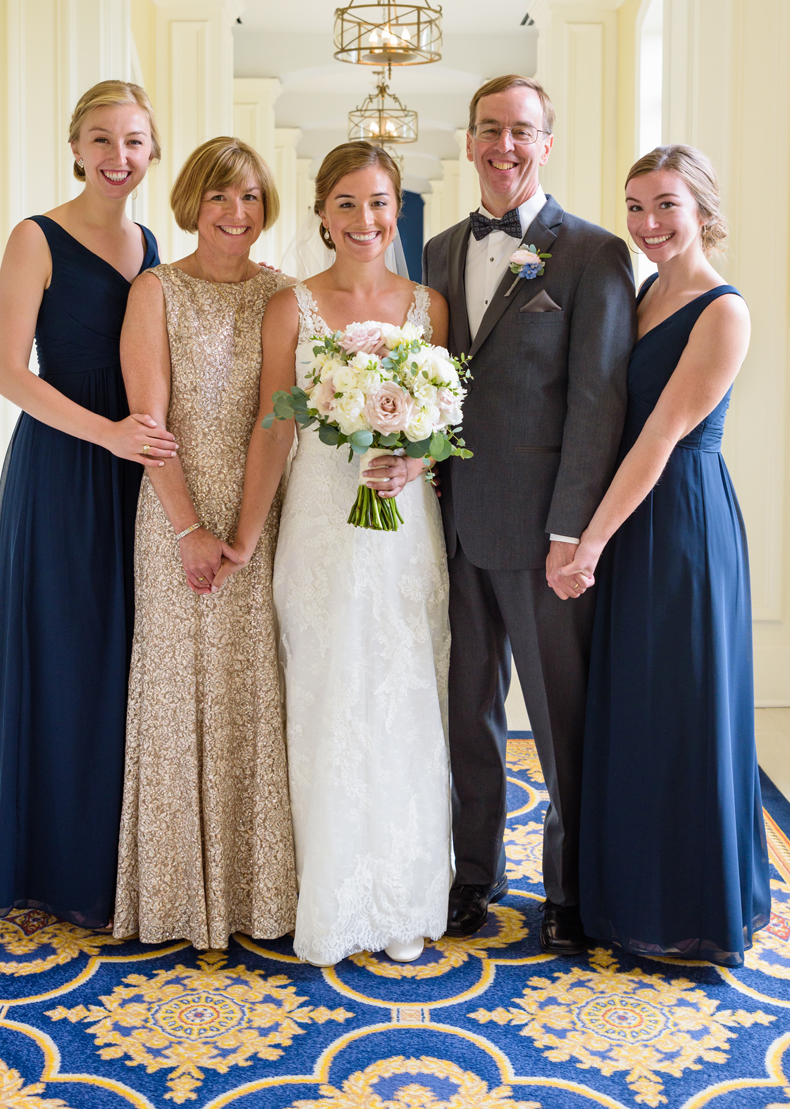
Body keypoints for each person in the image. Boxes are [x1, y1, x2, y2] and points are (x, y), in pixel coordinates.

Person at [422, 74, 634, 955]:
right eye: (488, 130)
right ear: (468, 141)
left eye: (521, 131)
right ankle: (473, 877)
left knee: (558, 717)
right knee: (464, 712)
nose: (503, 146)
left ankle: (570, 887)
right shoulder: (434, 251)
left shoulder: (591, 252)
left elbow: (599, 399)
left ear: (547, 143)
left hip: (544, 531)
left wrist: (570, 532)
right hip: (451, 525)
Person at [230, 141, 452, 966]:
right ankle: (330, 899)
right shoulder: (293, 307)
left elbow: (446, 424)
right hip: (323, 527)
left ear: (399, 209)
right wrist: (247, 539)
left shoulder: (428, 304)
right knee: (326, 702)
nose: (366, 220)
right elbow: (273, 426)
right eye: (348, 203)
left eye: (380, 202)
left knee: (405, 697)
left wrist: (414, 455)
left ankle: (403, 898)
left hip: (403, 537)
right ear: (322, 213)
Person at [558, 146, 767, 963]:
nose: (648, 224)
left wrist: (589, 543)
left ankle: (692, 908)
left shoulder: (723, 310)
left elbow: (662, 434)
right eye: (636, 206)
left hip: (680, 521)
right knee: (635, 706)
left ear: (702, 208)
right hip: (630, 511)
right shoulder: (646, 292)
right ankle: (627, 897)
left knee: (684, 707)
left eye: (666, 206)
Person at [0, 80, 169, 929]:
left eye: (132, 141)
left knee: (125, 657)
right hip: (64, 465)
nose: (116, 157)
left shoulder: (152, 239)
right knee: (65, 652)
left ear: (152, 151)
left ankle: (119, 857)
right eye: (101, 139)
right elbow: (10, 372)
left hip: (137, 467)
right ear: (76, 146)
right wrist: (107, 434)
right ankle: (53, 866)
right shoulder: (36, 236)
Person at [113, 136, 297, 948]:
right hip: (175, 509)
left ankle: (263, 895)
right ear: (192, 202)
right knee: (179, 692)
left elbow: (282, 415)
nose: (237, 213)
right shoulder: (156, 289)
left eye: (252, 197)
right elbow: (149, 425)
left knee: (262, 690)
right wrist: (189, 527)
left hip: (266, 512)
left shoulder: (286, 294)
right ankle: (179, 897)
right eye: (221, 196)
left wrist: (245, 533)